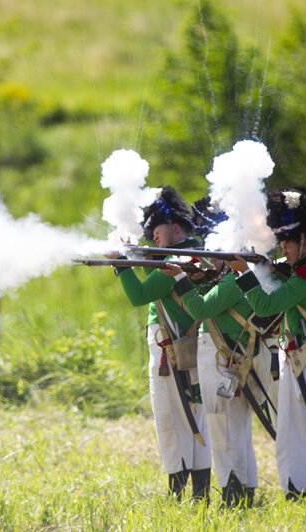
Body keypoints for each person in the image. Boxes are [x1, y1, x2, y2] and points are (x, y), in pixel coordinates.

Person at [227, 186, 306, 500]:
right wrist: (268, 268)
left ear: (304, 240)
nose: (283, 248)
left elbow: (264, 307)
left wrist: (244, 275)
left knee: (292, 432)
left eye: (288, 242)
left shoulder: (305, 276)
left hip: (301, 363)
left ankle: (297, 490)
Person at [158, 196, 273, 508]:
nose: (214, 261)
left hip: (222, 363)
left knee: (221, 429)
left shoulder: (233, 282)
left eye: (219, 255)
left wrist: (181, 278)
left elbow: (199, 308)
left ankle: (231, 493)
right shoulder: (243, 279)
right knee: (236, 429)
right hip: (233, 362)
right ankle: (245, 488)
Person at [113, 186, 211, 502]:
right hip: (191, 345)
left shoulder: (178, 260)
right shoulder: (195, 253)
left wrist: (120, 266)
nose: (153, 236)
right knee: (196, 417)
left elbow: (139, 296)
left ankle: (176, 491)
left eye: (156, 230)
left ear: (174, 226)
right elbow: (156, 278)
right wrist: (139, 257)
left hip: (169, 346)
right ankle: (201, 492)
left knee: (170, 418)